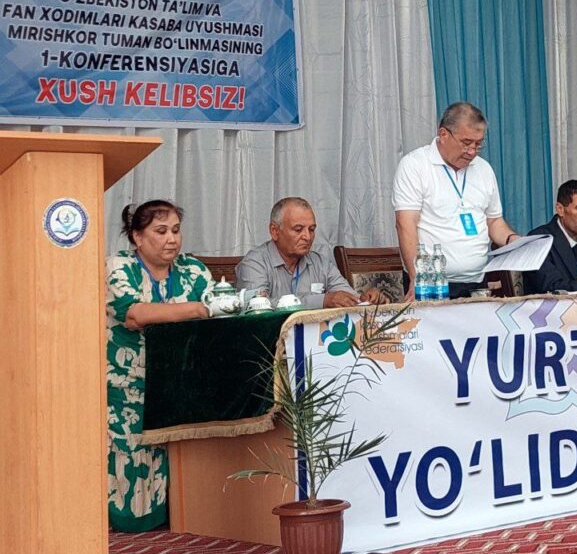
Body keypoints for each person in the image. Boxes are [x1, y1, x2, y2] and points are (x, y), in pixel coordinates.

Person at [105, 200, 213, 532]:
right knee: (132, 455)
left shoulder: (193, 269)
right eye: (161, 231)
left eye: (176, 231)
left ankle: (181, 517)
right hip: (128, 381)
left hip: (179, 380)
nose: (172, 239)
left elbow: (219, 310)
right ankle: (133, 523)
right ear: (137, 237)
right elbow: (135, 314)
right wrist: (196, 309)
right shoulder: (118, 267)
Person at [393, 102, 519, 299]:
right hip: (432, 284)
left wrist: (513, 240)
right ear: (444, 134)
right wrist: (417, 278)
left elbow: (493, 221)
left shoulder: (484, 169)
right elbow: (405, 224)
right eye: (466, 143)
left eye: (478, 144)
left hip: (478, 282)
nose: (472, 151)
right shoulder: (415, 165)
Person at [236, 197, 384, 309]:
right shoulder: (254, 263)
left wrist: (366, 299)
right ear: (274, 231)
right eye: (298, 229)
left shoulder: (320, 263)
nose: (307, 237)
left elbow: (348, 298)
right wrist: (322, 301)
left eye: (311, 229)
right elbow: (256, 307)